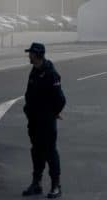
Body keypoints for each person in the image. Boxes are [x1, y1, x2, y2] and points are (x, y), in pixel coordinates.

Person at [22, 42, 66, 199]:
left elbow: (60, 99)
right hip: (34, 120)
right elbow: (29, 94)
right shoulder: (34, 71)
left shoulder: (50, 73)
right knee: (36, 151)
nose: (29, 56)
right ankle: (37, 183)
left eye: (31, 53)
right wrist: (27, 110)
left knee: (50, 152)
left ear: (37, 55)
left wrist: (52, 113)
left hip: (46, 122)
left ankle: (56, 185)